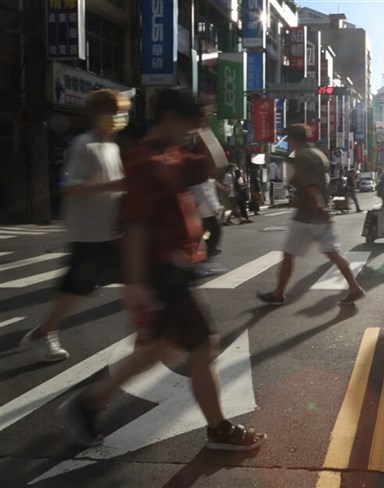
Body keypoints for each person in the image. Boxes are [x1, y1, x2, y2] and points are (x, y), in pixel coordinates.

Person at [62, 88, 266, 451]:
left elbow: (214, 164)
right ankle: (219, 430)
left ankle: (88, 403)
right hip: (161, 271)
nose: (192, 133)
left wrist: (203, 124)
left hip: (175, 268)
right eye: (189, 125)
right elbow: (135, 226)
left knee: (164, 347)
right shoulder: (145, 161)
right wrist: (137, 283)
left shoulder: (172, 156)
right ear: (171, 119)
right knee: (203, 345)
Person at [18, 89, 129, 363]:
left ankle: (149, 334)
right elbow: (71, 187)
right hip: (89, 234)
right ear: (98, 115)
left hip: (108, 232)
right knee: (77, 290)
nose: (120, 118)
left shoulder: (111, 146)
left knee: (134, 279)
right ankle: (40, 334)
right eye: (115, 113)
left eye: (122, 113)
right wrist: (115, 186)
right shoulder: (84, 144)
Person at [257, 124, 365, 305]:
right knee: (334, 254)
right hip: (320, 214)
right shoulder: (318, 154)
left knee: (288, 255)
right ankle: (354, 288)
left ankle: (278, 294)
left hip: (307, 217)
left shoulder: (300, 156)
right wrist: (322, 207)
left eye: (288, 139)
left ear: (292, 139)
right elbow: (318, 184)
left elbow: (310, 186)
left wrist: (319, 207)